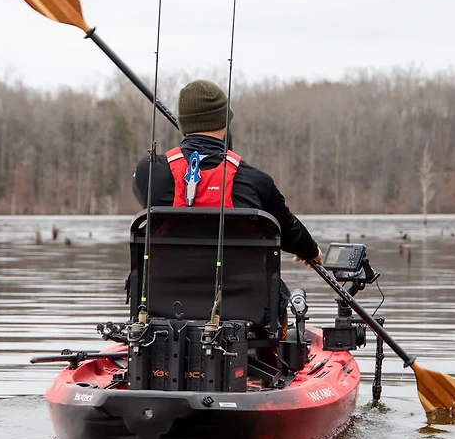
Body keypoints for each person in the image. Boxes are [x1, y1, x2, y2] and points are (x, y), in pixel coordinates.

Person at [132, 79, 322, 340]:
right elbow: (289, 230)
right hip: (246, 312)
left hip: (160, 307)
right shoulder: (255, 181)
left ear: (184, 124)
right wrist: (312, 251)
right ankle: (270, 359)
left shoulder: (149, 172)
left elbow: (147, 195)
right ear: (225, 123)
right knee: (280, 295)